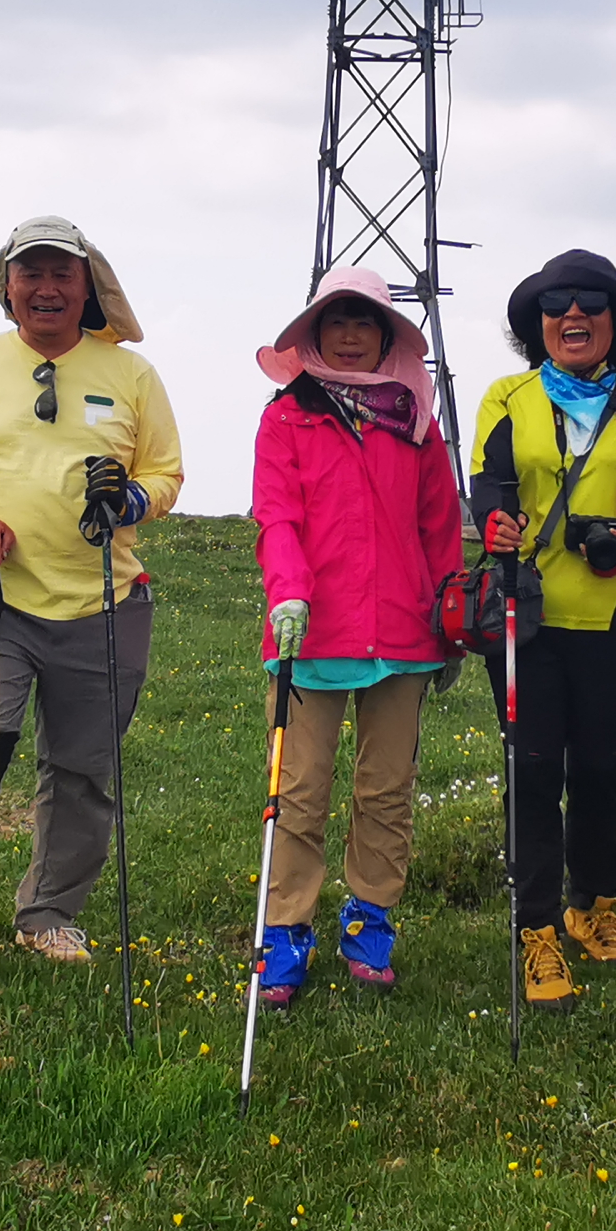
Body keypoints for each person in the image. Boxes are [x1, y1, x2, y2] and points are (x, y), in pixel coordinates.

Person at [0, 216, 184, 1002]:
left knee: (85, 772)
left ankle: (50, 912)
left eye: (64, 273)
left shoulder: (131, 374)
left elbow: (166, 476)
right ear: (7, 285)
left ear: (88, 286)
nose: (47, 287)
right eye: (31, 273)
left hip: (106, 601)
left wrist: (128, 501)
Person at [469, 250, 616, 1011]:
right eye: (556, 304)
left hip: (610, 616)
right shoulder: (507, 396)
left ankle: (596, 908)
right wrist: (495, 520)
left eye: (591, 302)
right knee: (532, 775)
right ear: (539, 324)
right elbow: (487, 483)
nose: (573, 315)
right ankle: (538, 934)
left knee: (598, 769)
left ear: (615, 324)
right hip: (524, 617)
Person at [246, 267, 462, 1005]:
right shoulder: (286, 419)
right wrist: (289, 594)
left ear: (383, 336)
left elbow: (439, 527)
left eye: (363, 321)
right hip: (309, 634)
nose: (348, 333)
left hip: (403, 634)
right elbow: (276, 516)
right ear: (313, 332)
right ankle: (285, 931)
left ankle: (371, 918)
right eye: (335, 319)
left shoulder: (416, 423)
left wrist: (450, 617)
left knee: (387, 791)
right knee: (298, 792)